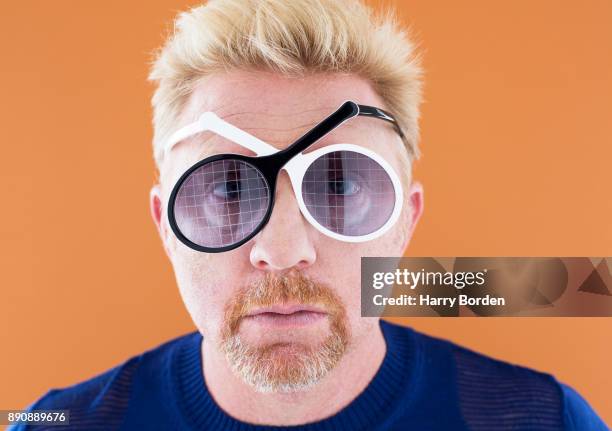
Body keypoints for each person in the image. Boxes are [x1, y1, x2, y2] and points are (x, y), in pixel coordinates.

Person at [13, 0, 608, 429]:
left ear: (405, 222)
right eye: (226, 191)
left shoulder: (541, 420)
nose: (282, 248)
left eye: (342, 185)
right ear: (165, 225)